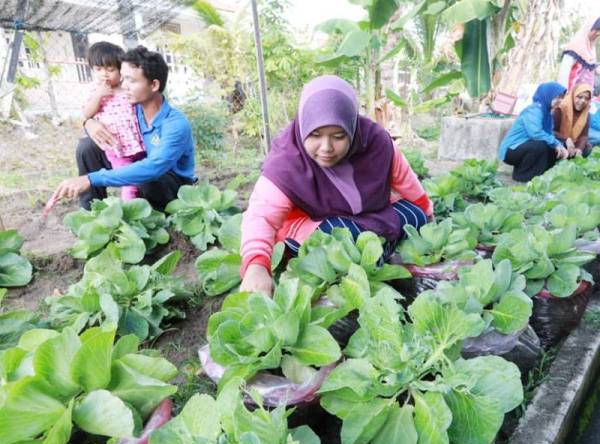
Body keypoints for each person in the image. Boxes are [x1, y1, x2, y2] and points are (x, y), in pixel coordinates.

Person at [239, 75, 433, 295]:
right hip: (316, 227)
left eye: (339, 136)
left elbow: (407, 182)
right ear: (303, 127)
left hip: (370, 215)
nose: (326, 147)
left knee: (416, 215)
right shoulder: (287, 161)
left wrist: (428, 214)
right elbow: (261, 215)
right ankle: (378, 251)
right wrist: (256, 266)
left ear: (352, 127)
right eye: (315, 135)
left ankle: (373, 253)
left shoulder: (376, 141)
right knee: (339, 238)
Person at [51, 46, 196, 211]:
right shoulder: (132, 109)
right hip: (141, 168)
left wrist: (91, 179)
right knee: (87, 148)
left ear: (154, 85)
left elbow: (153, 168)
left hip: (173, 185)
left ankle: (163, 219)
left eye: (132, 81)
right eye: (124, 79)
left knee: (146, 177)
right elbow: (95, 115)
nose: (124, 86)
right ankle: (92, 214)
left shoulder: (175, 124)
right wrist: (88, 123)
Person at [82, 41, 145, 201]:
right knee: (128, 180)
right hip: (116, 145)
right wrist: (98, 95)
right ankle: (128, 211)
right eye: (98, 69)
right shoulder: (95, 89)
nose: (104, 74)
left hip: (137, 143)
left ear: (121, 70)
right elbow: (87, 113)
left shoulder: (127, 87)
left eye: (110, 70)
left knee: (142, 176)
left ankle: (142, 207)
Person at [499, 82, 568, 182]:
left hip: (524, 147)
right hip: (511, 150)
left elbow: (549, 135)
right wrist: (556, 143)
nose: (560, 101)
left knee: (554, 147)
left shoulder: (547, 113)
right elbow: (536, 133)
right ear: (548, 94)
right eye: (558, 97)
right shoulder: (534, 110)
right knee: (540, 146)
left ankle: (541, 176)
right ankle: (522, 176)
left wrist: (560, 146)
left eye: (562, 98)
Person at [558, 18, 600, 90]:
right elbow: (563, 75)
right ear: (588, 28)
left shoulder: (592, 52)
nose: (597, 34)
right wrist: (563, 94)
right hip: (571, 95)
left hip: (585, 97)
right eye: (596, 30)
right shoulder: (574, 49)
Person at [553, 83, 593, 158]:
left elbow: (584, 135)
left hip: (573, 143)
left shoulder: (586, 114)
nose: (583, 101)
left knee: (588, 147)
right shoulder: (560, 109)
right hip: (558, 141)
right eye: (579, 97)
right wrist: (566, 139)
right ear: (573, 96)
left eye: (586, 98)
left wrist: (579, 148)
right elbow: (550, 131)